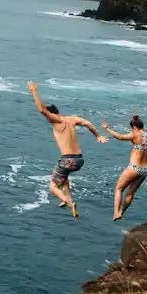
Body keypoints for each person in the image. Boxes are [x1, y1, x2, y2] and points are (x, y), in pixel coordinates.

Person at [27, 81, 108, 220]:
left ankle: (66, 200)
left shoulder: (56, 121)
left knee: (52, 187)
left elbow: (42, 110)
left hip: (67, 159)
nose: (47, 119)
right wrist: (98, 136)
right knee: (64, 180)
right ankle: (71, 204)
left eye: (49, 117)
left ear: (53, 114)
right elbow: (88, 123)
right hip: (79, 160)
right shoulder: (72, 119)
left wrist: (34, 91)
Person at [101, 103, 147, 221]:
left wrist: (107, 128)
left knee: (119, 189)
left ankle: (116, 212)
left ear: (133, 127)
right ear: (142, 125)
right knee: (130, 193)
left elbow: (120, 137)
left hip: (133, 168)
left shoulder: (134, 135)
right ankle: (121, 212)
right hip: (144, 170)